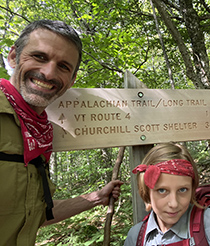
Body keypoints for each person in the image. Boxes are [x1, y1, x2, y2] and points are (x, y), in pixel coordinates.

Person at [0, 19, 123, 246]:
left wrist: (96, 198)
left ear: (72, 80)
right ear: (13, 57)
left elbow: (32, 214)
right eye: (40, 57)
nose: (48, 73)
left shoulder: (41, 134)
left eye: (64, 66)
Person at [124, 142, 210, 246]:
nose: (174, 203)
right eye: (162, 190)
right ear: (146, 191)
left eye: (182, 190)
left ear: (192, 189)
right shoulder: (136, 237)